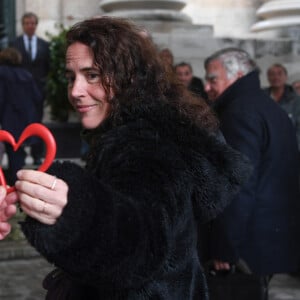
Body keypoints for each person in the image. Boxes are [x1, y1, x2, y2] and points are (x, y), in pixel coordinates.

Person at [0, 18, 250, 299]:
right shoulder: (130, 130)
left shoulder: (147, 143)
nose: (75, 91)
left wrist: (75, 213)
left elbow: (142, 243)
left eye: (91, 75)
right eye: (71, 77)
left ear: (128, 76)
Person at [204, 48, 300, 296]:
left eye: (213, 79)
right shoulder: (265, 106)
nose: (207, 87)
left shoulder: (240, 112)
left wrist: (224, 246)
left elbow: (239, 184)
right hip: (268, 236)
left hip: (246, 243)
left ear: (236, 75)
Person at [11, 12, 50, 164]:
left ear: (36, 25)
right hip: (19, 93)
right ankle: (18, 155)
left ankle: (37, 155)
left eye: (32, 23)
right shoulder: (15, 44)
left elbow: (48, 67)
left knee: (37, 122)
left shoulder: (44, 45)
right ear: (23, 25)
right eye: (27, 23)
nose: (30, 26)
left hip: (38, 93)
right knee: (19, 124)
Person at [0, 47, 43, 184]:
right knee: (17, 154)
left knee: (13, 155)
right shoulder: (27, 75)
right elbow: (38, 97)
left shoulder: (2, 73)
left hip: (8, 120)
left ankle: (14, 186)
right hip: (25, 122)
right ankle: (18, 184)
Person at [264, 63, 300, 150]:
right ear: (268, 77)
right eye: (272, 74)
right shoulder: (261, 97)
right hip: (267, 148)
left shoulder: (296, 99)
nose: (276, 77)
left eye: (279, 74)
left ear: (286, 76)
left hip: (290, 148)